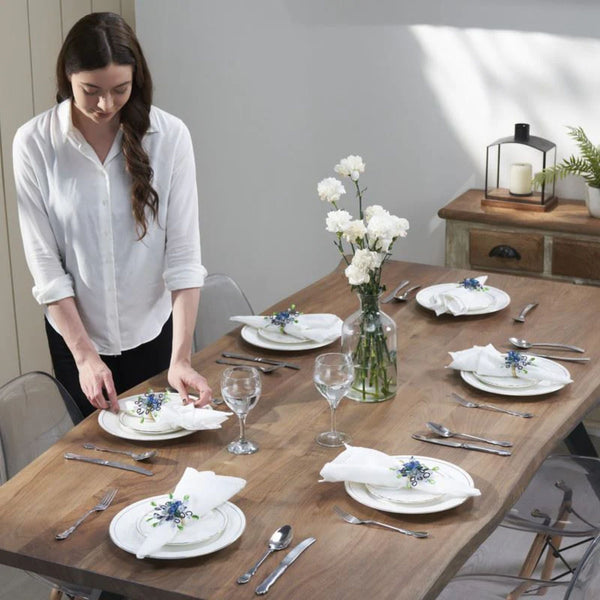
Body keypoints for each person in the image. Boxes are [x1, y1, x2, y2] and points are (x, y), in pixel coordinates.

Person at [13, 12, 212, 417]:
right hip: (78, 346)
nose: (106, 104)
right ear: (67, 78)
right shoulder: (33, 144)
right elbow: (47, 269)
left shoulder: (170, 137)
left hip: (156, 336)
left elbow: (184, 258)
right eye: (90, 90)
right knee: (97, 462)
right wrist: (85, 357)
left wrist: (182, 359)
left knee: (164, 460)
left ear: (136, 80)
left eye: (120, 89)